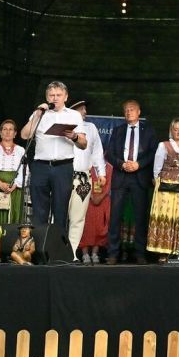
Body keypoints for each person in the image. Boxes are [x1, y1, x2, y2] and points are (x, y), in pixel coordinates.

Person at [20, 81, 89, 229]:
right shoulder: (39, 114)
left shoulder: (74, 115)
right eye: (51, 95)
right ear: (47, 97)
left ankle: (58, 243)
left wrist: (75, 136)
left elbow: (84, 144)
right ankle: (39, 242)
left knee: (61, 211)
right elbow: (24, 135)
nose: (55, 98)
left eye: (59, 95)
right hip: (41, 167)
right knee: (39, 211)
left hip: (63, 167)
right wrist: (37, 114)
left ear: (66, 97)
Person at [106, 98, 156, 264]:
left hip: (139, 177)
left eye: (132, 109)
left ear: (139, 112)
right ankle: (113, 253)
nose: (129, 112)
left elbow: (153, 153)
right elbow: (110, 154)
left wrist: (138, 164)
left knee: (140, 217)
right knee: (115, 217)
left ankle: (140, 253)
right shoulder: (118, 130)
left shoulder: (148, 130)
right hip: (121, 177)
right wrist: (122, 164)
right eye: (126, 110)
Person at [147, 117, 179, 261]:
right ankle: (164, 252)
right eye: (176, 129)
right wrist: (159, 182)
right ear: (171, 131)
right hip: (167, 188)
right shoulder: (164, 145)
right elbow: (157, 169)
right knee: (167, 217)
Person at [67, 101, 107, 264]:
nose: (85, 111)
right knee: (58, 215)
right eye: (81, 109)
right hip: (63, 176)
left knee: (78, 218)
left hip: (83, 177)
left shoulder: (90, 128)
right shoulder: (63, 126)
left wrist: (101, 172)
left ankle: (71, 253)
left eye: (84, 108)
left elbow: (97, 151)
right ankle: (55, 250)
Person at [0, 119, 28, 224]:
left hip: (15, 187)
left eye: (11, 129)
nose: (8, 132)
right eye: (5, 129)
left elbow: (25, 170)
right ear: (0, 133)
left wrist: (15, 184)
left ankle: (12, 234)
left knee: (14, 212)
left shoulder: (21, 150)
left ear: (15, 133)